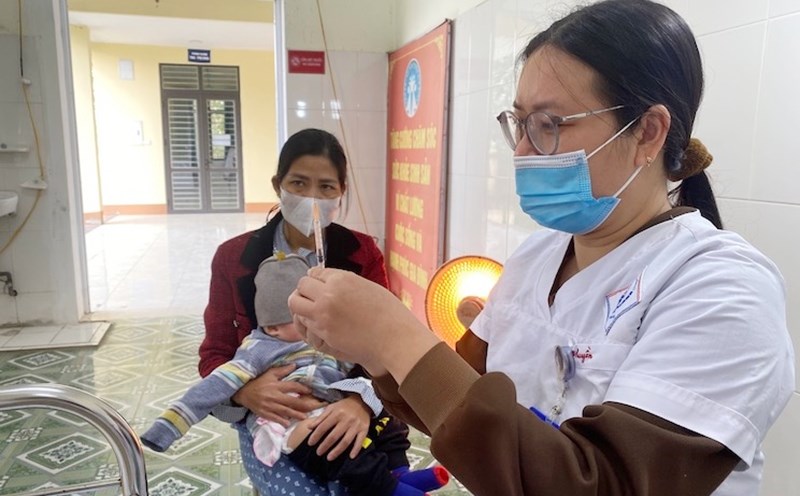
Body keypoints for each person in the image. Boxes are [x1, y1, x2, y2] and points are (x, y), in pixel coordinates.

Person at [288, 2, 796, 495]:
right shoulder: (538, 256)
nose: (525, 153)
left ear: (648, 131)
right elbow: (461, 402)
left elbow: (601, 481)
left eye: (550, 125)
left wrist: (395, 338)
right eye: (520, 124)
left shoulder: (724, 290)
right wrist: (374, 352)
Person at [198, 128, 415, 495]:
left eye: (327, 187)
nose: (312, 198)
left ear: (341, 193)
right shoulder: (234, 257)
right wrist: (246, 393)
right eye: (299, 183)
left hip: (347, 403)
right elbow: (214, 355)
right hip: (273, 418)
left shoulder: (362, 254)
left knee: (375, 478)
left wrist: (360, 402)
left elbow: (386, 344)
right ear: (277, 185)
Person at [144, 253, 448, 496]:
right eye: (300, 317)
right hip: (297, 427)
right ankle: (392, 490)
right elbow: (213, 386)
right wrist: (168, 427)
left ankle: (401, 474)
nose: (311, 323)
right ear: (274, 327)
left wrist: (362, 401)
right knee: (344, 457)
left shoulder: (329, 320)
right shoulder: (259, 350)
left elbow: (369, 361)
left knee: (392, 428)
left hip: (344, 404)